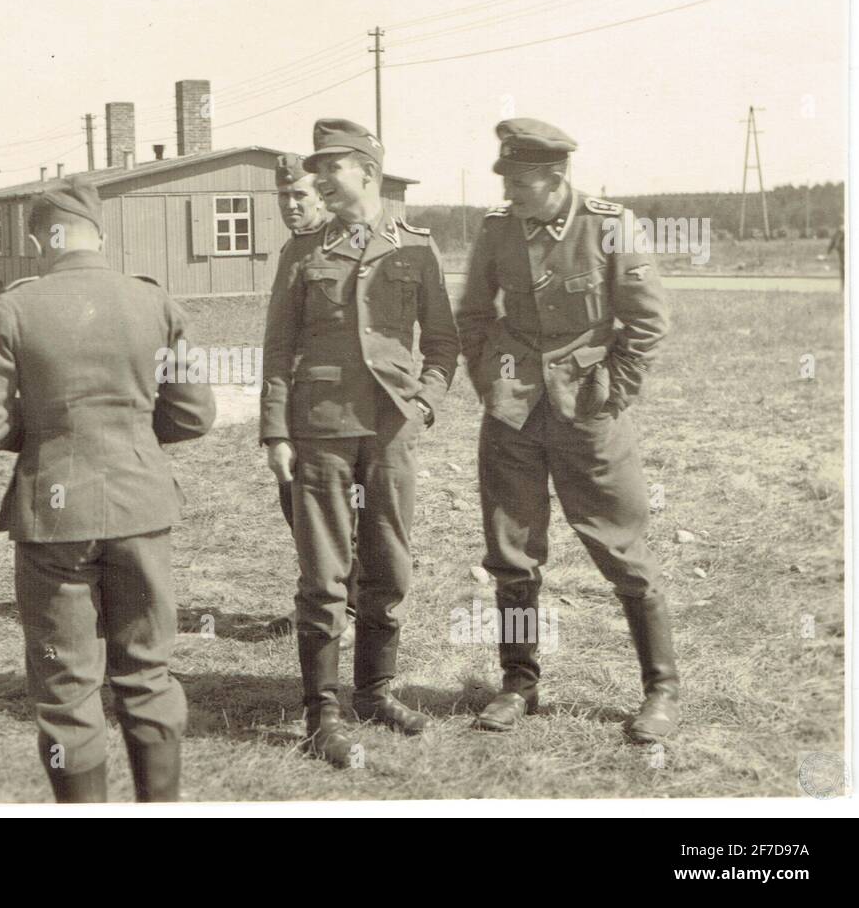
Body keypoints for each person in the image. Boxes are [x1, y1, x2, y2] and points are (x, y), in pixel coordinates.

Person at [0, 177, 216, 802]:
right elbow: (193, 415)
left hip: (53, 515)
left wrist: (49, 431)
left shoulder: (14, 309)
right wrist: (128, 432)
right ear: (98, 234)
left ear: (42, 237)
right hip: (141, 507)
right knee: (148, 672)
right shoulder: (154, 304)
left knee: (66, 687)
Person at [455, 118, 679, 743]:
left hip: (588, 412)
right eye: (507, 181)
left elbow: (647, 323)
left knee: (622, 549)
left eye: (522, 182)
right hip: (513, 413)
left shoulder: (610, 226)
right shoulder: (498, 229)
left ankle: (660, 689)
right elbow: (473, 314)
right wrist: (490, 379)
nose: (511, 194)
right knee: (512, 554)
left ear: (557, 179)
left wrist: (612, 393)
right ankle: (518, 683)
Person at [260, 119, 459, 765]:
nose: (317, 181)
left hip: (391, 428)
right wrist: (275, 430)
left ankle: (374, 691)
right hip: (319, 427)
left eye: (330, 169)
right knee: (323, 576)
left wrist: (426, 399)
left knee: (390, 568)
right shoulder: (303, 249)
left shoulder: (416, 246)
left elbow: (446, 341)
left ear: (367, 171)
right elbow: (278, 346)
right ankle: (323, 715)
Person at [266, 154, 357, 648]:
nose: (290, 204)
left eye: (299, 194)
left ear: (323, 194)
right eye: (283, 196)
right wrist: (275, 425)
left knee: (346, 514)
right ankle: (319, 602)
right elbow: (277, 342)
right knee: (300, 508)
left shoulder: (345, 243)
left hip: (344, 410)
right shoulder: (292, 250)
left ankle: (354, 610)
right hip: (301, 407)